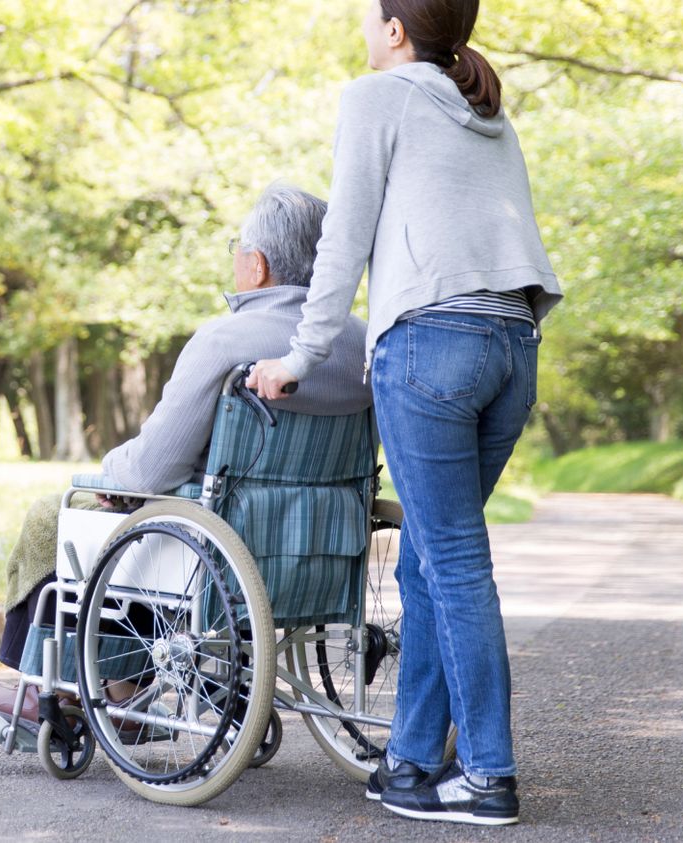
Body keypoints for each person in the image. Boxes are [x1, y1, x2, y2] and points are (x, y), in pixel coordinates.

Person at [249, 0, 563, 827]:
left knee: (454, 561)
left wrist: (297, 359)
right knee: (429, 557)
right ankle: (414, 761)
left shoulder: (377, 96)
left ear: (396, 30)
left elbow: (341, 242)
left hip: (431, 345)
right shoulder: (483, 106)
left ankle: (489, 773)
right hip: (512, 344)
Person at [0, 183, 372, 722]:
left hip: (218, 546)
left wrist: (108, 474)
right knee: (153, 520)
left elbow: (151, 468)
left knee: (61, 515)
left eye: (237, 248)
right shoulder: (364, 346)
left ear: (256, 266)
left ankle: (55, 686)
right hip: (319, 545)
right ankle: (119, 687)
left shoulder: (225, 340)